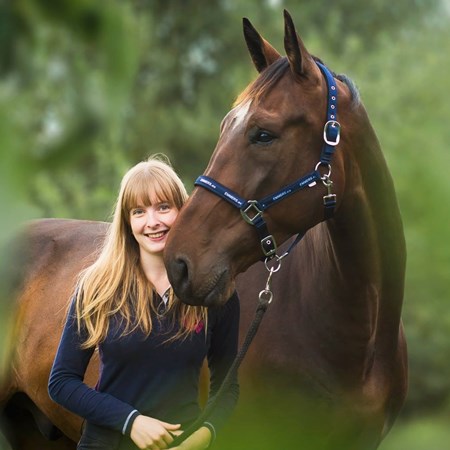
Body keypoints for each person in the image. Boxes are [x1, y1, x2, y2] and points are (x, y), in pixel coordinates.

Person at [48, 155, 240, 450]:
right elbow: (62, 382)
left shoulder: (210, 292)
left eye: (163, 207)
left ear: (182, 210)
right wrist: (131, 421)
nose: (152, 222)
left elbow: (227, 389)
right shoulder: (97, 287)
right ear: (127, 221)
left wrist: (202, 436)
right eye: (139, 211)